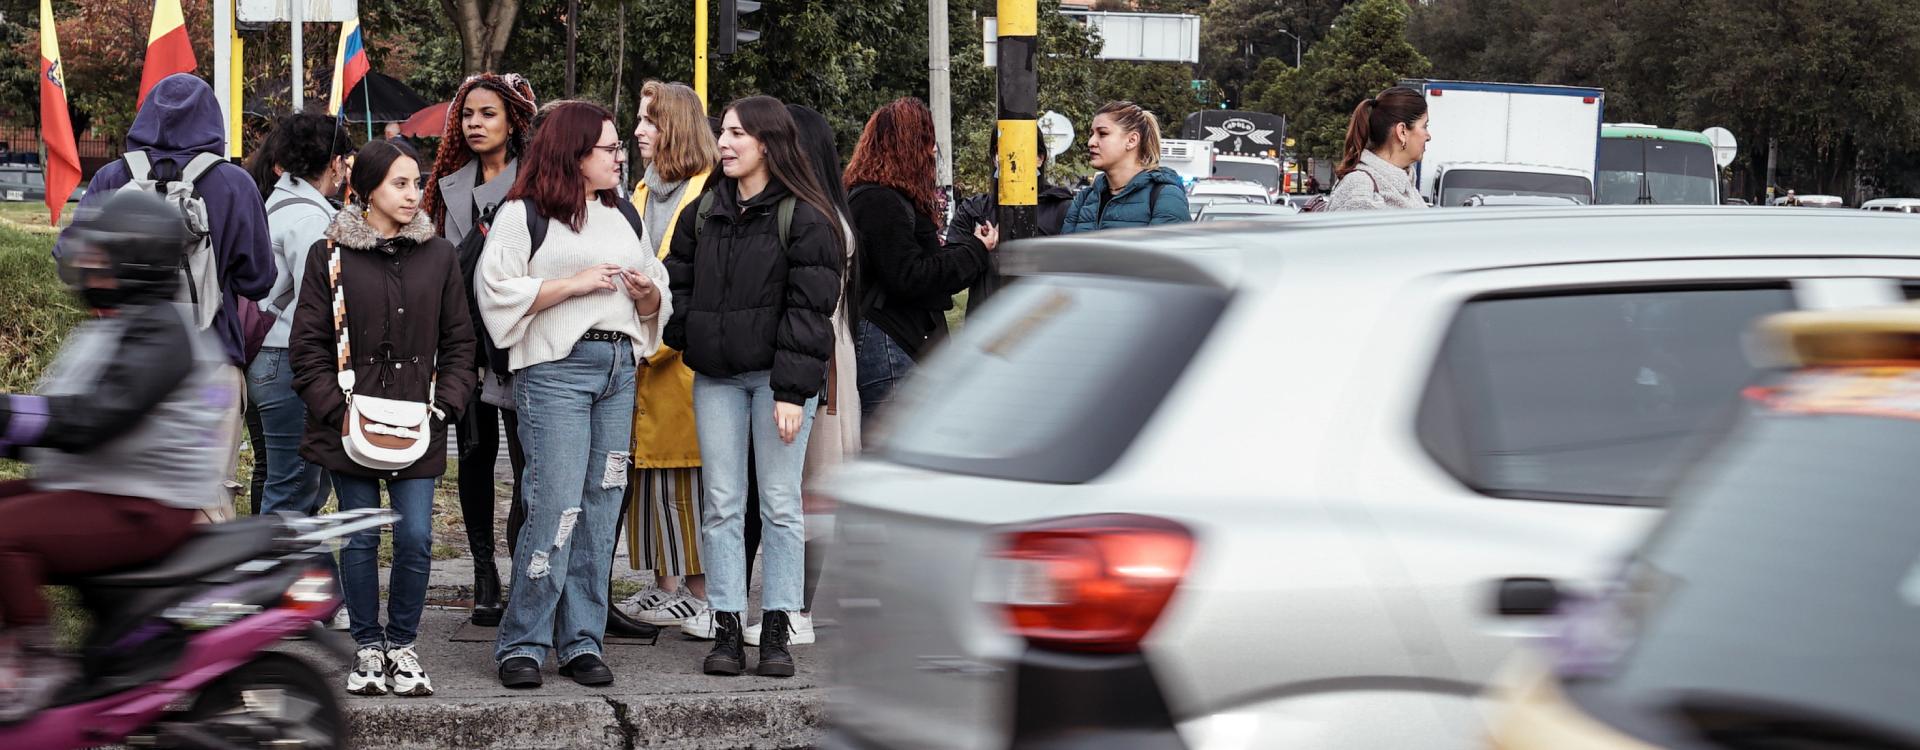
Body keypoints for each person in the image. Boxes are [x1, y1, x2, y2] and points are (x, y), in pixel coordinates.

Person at [0, 191, 238, 723]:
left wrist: (5, 418)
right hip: (104, 487)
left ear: (133, 263)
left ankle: (38, 665)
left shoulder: (161, 332)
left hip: (145, 504)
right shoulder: (123, 322)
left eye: (99, 256)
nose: (85, 264)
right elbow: (57, 418)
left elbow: (93, 419)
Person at [478, 100, 671, 690]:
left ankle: (582, 639)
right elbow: (494, 291)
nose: (621, 156)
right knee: (555, 503)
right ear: (575, 153)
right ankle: (524, 642)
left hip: (618, 368)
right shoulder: (523, 213)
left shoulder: (624, 215)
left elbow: (657, 292)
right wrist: (573, 285)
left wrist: (645, 295)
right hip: (557, 371)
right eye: (610, 148)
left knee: (601, 505)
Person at [289, 139, 477, 698]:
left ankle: (403, 643)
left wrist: (446, 404)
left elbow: (460, 341)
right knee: (363, 535)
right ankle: (368, 644)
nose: (413, 194)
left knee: (417, 536)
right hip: (349, 421)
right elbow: (308, 347)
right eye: (399, 183)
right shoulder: (329, 255)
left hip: (419, 421)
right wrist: (334, 409)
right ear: (365, 189)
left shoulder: (439, 255)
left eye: (416, 183)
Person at [665, 95, 842, 678]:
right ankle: (725, 628)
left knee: (780, 503)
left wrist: (792, 392)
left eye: (737, 133)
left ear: (767, 142)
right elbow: (678, 281)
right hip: (716, 377)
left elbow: (810, 313)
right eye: (724, 132)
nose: (724, 142)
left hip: (777, 382)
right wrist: (684, 326)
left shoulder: (807, 217)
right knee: (720, 503)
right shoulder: (703, 210)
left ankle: (776, 630)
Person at [57, 73, 274, 522]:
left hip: (121, 361)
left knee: (127, 488)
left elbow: (68, 257)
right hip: (210, 364)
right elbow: (259, 281)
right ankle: (209, 586)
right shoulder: (234, 183)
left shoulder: (113, 178)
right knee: (207, 490)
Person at [422, 73, 539, 628]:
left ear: (513, 120)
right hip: (463, 343)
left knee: (526, 463)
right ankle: (483, 572)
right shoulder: (446, 184)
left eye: (487, 114)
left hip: (518, 341)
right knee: (471, 456)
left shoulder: (536, 184)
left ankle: (523, 569)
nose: (474, 123)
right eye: (467, 114)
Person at [615, 80, 721, 632]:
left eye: (649, 121)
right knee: (652, 483)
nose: (638, 131)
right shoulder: (639, 192)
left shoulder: (706, 194)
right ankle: (666, 587)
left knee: (687, 481)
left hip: (684, 361)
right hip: (642, 361)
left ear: (674, 127)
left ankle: (700, 594)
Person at [844, 97, 987, 425]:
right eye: (927, 141)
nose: (933, 152)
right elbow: (909, 275)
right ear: (909, 146)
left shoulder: (877, 197)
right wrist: (975, 252)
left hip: (893, 339)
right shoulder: (881, 202)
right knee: (893, 449)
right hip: (890, 340)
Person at [944, 122, 1076, 310]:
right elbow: (949, 277)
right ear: (993, 157)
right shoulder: (974, 210)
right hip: (985, 327)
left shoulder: (1063, 210)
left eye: (1019, 148)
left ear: (1040, 158)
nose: (1008, 157)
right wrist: (978, 248)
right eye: (1000, 150)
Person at [1060, 101, 1189, 233]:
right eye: (1091, 134)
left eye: (1103, 134)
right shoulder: (1085, 198)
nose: (1091, 142)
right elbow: (1066, 251)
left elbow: (1165, 251)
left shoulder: (1165, 197)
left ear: (1132, 140)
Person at [1326, 86, 1429, 212]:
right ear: (1402, 132)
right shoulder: (1360, 187)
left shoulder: (1405, 185)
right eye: (1424, 126)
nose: (1428, 136)